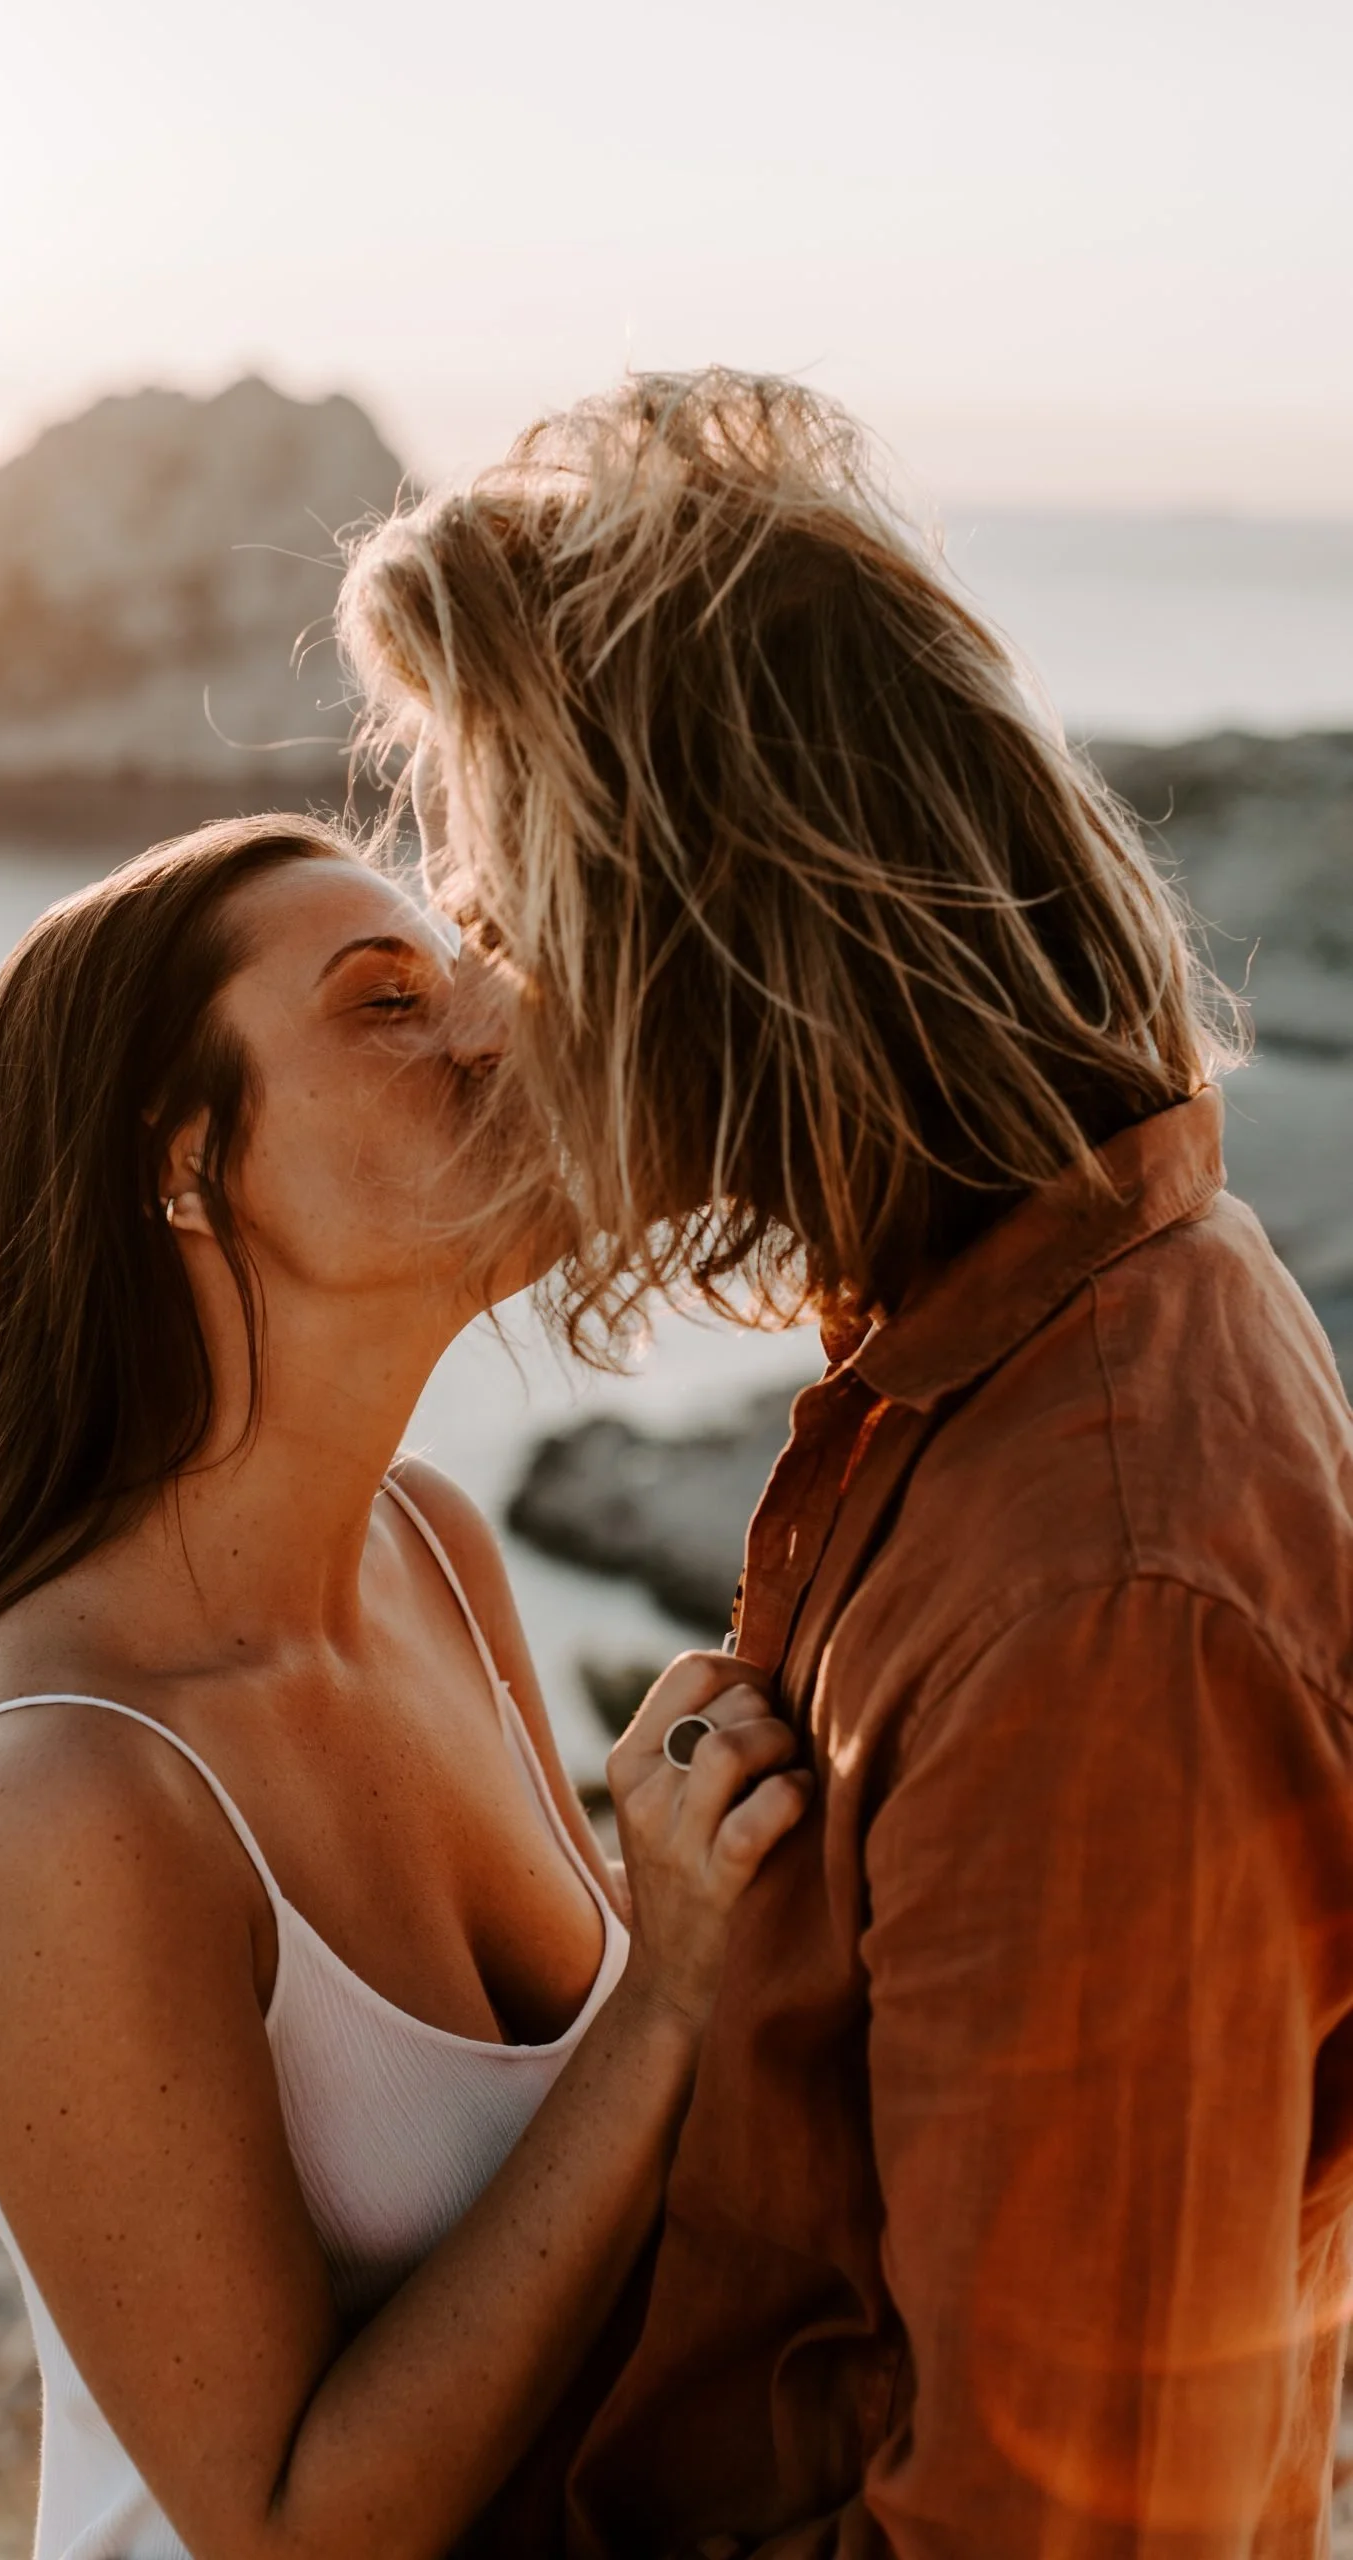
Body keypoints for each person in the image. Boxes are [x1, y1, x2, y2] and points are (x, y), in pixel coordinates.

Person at [338, 370, 1353, 2555]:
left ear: (715, 932)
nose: (483, 993)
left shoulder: (1097, 1594)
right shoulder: (974, 1364)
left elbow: (1058, 2528)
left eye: (514, 899)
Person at [0, 811, 813, 2560]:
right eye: (384, 1003)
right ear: (186, 1159)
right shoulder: (55, 1793)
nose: (495, 1032)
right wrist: (666, 1986)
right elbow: (291, 2534)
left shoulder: (435, 1554)